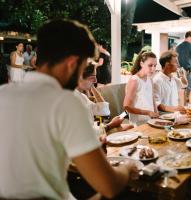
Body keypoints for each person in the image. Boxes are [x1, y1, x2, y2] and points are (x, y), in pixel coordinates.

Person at [0, 19, 137, 199]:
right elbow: (109, 185)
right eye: (82, 67)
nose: (81, 76)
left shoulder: (4, 93)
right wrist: (127, 167)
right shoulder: (65, 101)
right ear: (72, 63)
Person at [75, 62, 133, 133]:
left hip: (98, 130)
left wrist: (92, 87)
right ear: (80, 77)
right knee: (129, 128)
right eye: (93, 77)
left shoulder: (82, 97)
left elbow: (103, 112)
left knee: (130, 127)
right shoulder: (73, 101)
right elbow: (86, 133)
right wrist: (111, 125)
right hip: (91, 138)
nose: (96, 81)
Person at [123, 50, 159, 126]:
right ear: (142, 64)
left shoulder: (150, 79)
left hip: (151, 121)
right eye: (150, 65)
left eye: (155, 65)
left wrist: (156, 114)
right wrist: (148, 112)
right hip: (138, 124)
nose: (153, 69)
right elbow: (126, 106)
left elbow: (152, 99)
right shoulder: (134, 80)